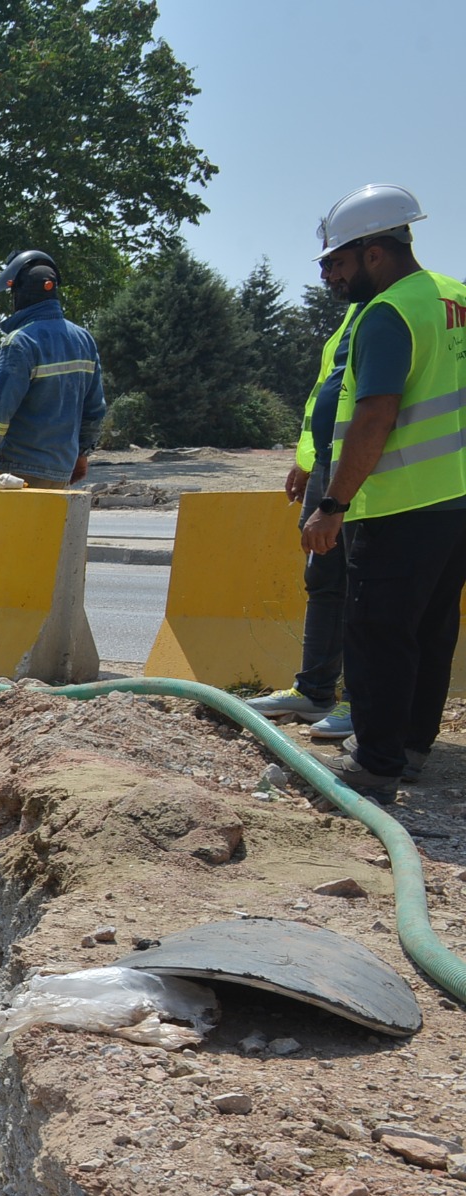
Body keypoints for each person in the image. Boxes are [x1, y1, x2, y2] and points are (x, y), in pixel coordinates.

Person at [296, 185, 466, 800]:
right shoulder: (456, 298)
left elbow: (375, 418)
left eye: (336, 263)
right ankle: (412, 747)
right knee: (431, 630)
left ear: (374, 252)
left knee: (377, 636)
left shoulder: (387, 313)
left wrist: (333, 503)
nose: (330, 277)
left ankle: (375, 765)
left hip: (400, 504)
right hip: (456, 503)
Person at [243, 301, 361, 735]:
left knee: (366, 588)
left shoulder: (395, 307)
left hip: (374, 466)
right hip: (332, 459)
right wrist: (309, 459)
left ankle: (359, 702)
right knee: (326, 580)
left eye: (335, 262)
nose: (328, 275)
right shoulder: (357, 310)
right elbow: (330, 390)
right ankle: (314, 691)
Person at [0, 250, 106, 489]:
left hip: (15, 472)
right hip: (61, 470)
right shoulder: (83, 339)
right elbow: (94, 409)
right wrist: (82, 453)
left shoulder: (20, 342)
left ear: (19, 292)